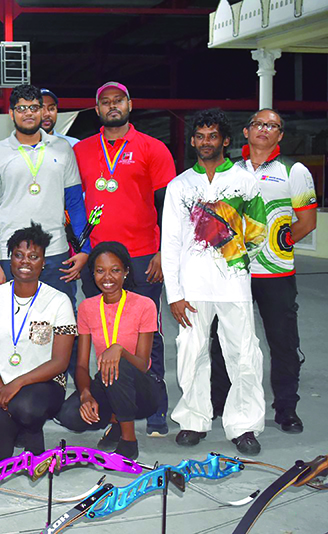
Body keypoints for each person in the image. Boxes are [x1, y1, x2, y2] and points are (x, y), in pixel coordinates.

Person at [73, 81, 176, 437]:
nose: (112, 106)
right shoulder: (82, 150)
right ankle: (113, 405)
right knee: (99, 330)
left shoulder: (153, 147)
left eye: (118, 100)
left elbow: (168, 204)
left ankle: (156, 406)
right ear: (97, 109)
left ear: (130, 104)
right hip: (97, 259)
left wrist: (164, 249)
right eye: (105, 102)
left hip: (145, 254)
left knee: (149, 332)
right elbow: (72, 203)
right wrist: (80, 251)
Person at [161, 108, 267, 455]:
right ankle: (194, 420)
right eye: (200, 136)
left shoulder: (244, 181)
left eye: (213, 136)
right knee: (191, 352)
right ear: (193, 141)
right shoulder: (180, 185)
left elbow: (258, 233)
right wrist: (174, 294)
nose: (207, 142)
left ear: (225, 140)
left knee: (244, 354)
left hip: (233, 284)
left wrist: (234, 263)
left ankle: (244, 426)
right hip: (190, 288)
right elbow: (171, 243)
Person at [210, 108, 317, 433]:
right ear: (246, 131)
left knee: (282, 343)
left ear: (280, 135)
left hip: (277, 275)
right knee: (224, 340)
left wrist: (279, 244)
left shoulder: (293, 171)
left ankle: (286, 409)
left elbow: (307, 222)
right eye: (258, 124)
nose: (264, 129)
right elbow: (216, 218)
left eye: (272, 126)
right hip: (234, 274)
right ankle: (219, 402)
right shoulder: (230, 170)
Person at [0, 223, 76, 461]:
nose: (25, 262)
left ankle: (31, 427)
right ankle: (18, 428)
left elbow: (60, 362)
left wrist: (16, 384)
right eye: (19, 255)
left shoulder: (58, 301)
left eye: (33, 256)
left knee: (26, 408)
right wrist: (1, 389)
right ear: (10, 259)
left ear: (43, 262)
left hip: (43, 385)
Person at [0, 84, 89, 304]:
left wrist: (84, 248)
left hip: (56, 251)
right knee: (12, 320)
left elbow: (75, 204)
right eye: (21, 108)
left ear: (42, 111)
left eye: (34, 107)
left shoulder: (63, 149)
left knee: (63, 318)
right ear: (11, 113)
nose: (28, 113)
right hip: (11, 254)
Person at [58, 242, 158, 460]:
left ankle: (128, 441)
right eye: (100, 270)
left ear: (126, 272)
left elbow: (142, 363)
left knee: (118, 365)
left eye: (115, 270)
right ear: (92, 273)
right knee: (69, 415)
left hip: (141, 388)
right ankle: (116, 421)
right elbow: (82, 364)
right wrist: (85, 395)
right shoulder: (87, 308)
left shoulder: (145, 305)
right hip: (106, 381)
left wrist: (119, 350)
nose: (107, 277)